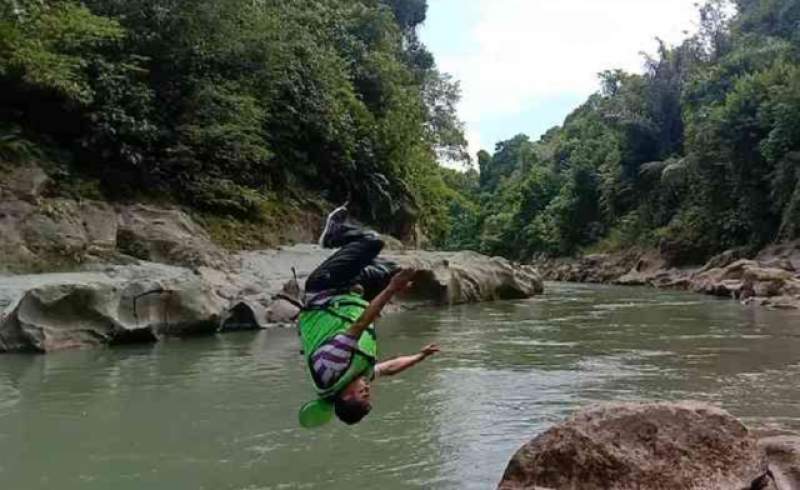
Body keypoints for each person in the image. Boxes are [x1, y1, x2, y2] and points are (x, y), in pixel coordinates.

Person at [297, 204, 440, 428]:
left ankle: (333, 235)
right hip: (348, 293)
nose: (368, 389)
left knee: (373, 242)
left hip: (325, 286)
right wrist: (420, 356)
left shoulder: (331, 367)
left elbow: (362, 323)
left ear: (346, 397)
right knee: (392, 271)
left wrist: (392, 289)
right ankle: (358, 259)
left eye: (363, 394)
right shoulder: (353, 376)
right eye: (367, 394)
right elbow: (389, 368)